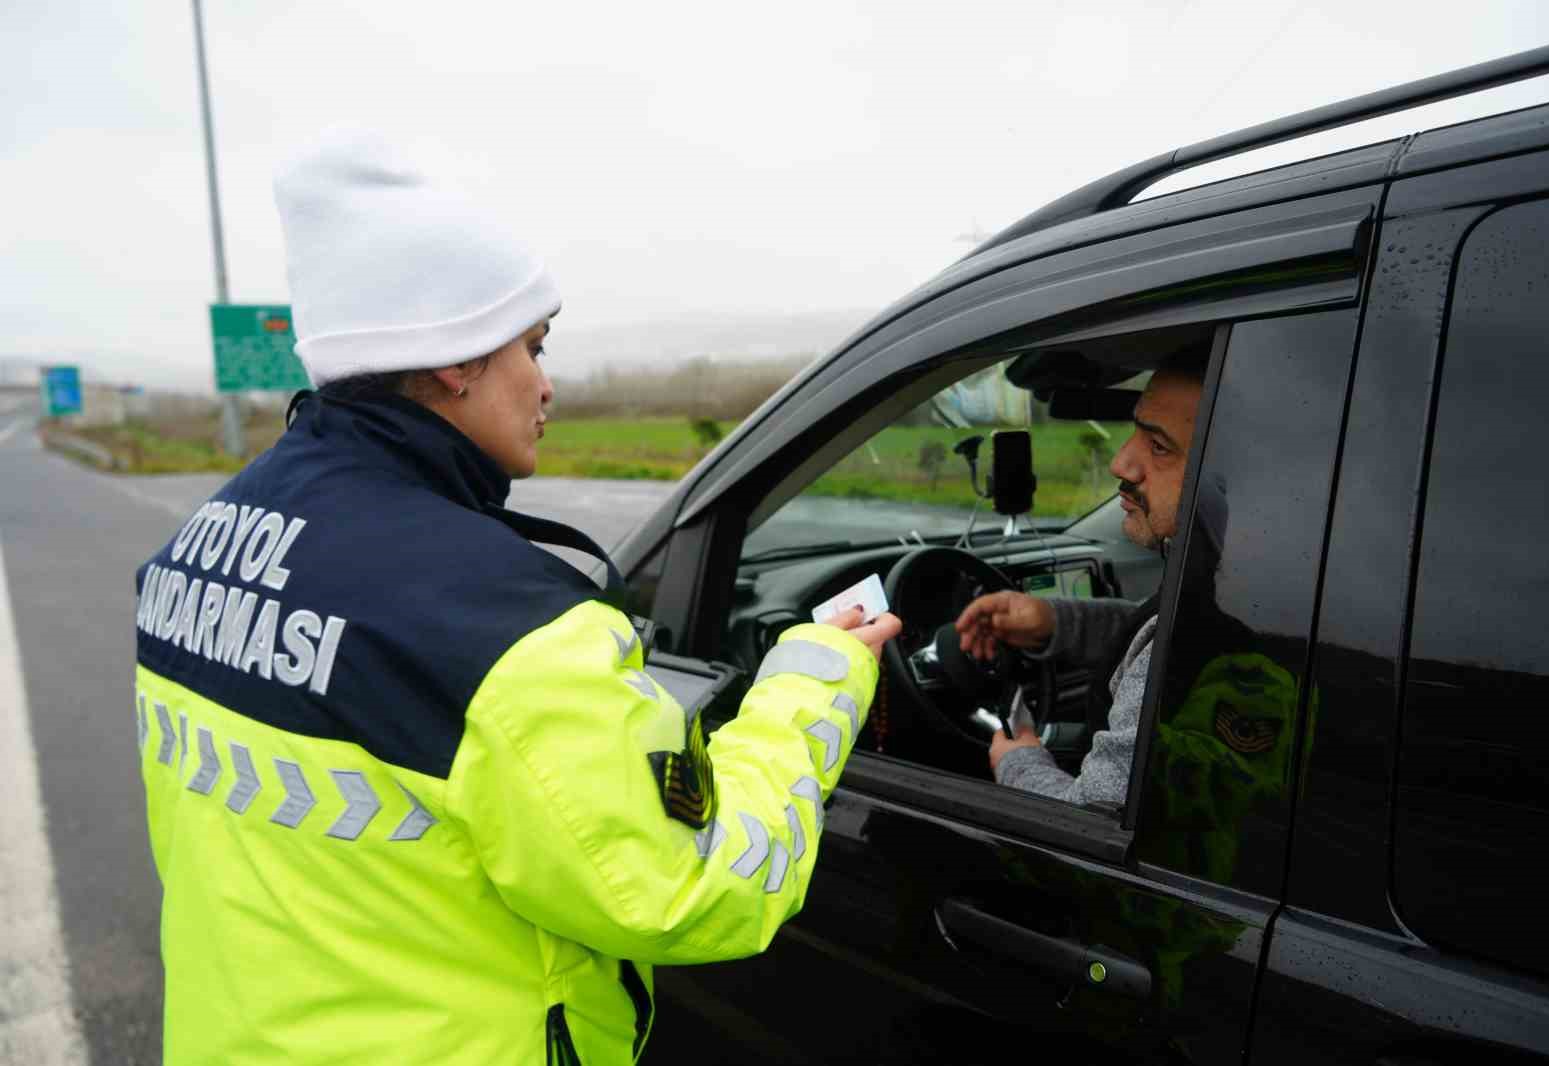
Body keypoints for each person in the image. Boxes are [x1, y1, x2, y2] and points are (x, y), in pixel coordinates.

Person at [132, 127, 900, 1065]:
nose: (546, 385)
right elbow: (697, 890)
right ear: (457, 360)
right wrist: (815, 681)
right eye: (532, 348)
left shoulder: (195, 551)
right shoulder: (504, 629)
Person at [953, 354, 1205, 807]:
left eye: (1159, 446)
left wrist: (1017, 763)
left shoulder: (1193, 647)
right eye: (1134, 431)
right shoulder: (1230, 585)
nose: (1121, 463)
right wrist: (1055, 622)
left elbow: (1093, 818)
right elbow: (1147, 630)